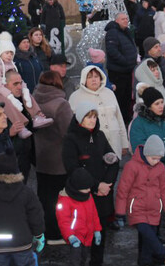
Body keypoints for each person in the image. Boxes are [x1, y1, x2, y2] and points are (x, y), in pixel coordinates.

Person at [62, 102, 119, 266]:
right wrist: (96, 185)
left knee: (100, 236)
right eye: (88, 116)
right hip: (82, 197)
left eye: (94, 116)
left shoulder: (100, 136)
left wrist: (107, 184)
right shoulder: (71, 139)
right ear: (80, 118)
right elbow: (73, 169)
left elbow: (113, 160)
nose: (92, 120)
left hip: (102, 196)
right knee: (81, 239)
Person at [115, 135, 165, 266]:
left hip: (154, 209)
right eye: (153, 158)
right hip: (137, 209)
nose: (156, 161)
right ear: (146, 154)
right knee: (150, 237)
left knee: (146, 244)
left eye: (159, 158)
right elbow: (123, 191)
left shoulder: (160, 167)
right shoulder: (132, 166)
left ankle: (145, 262)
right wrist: (120, 213)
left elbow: (163, 190)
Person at [31, 71, 74, 244]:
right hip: (58, 160)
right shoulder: (61, 104)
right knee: (58, 200)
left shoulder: (33, 100)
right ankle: (56, 234)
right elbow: (68, 133)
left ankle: (44, 232)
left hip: (41, 157)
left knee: (44, 197)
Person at [56, 168, 102, 266]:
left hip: (87, 235)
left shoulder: (88, 196)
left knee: (83, 258)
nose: (89, 190)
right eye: (86, 188)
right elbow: (63, 221)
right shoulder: (65, 200)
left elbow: (94, 214)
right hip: (76, 236)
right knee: (75, 260)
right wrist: (70, 236)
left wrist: (97, 230)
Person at [129, 87, 165, 176]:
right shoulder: (139, 124)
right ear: (149, 106)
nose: (161, 106)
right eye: (157, 104)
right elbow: (141, 151)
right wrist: (163, 169)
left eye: (162, 102)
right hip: (149, 173)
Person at [105, 12, 138, 125]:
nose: (126, 21)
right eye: (123, 19)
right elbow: (112, 51)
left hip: (128, 71)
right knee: (119, 98)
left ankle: (126, 119)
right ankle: (120, 121)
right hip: (118, 72)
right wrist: (126, 61)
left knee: (127, 98)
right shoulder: (112, 33)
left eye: (127, 19)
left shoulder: (126, 32)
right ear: (117, 21)